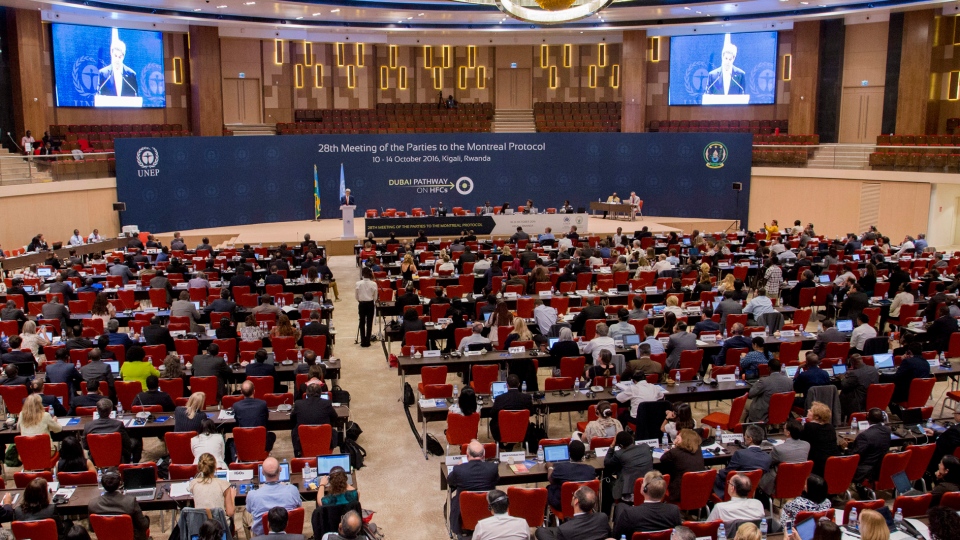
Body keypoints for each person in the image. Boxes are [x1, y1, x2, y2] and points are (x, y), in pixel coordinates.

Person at [447, 440, 499, 535]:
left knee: (450, 502)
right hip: (488, 510)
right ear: (483, 455)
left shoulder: (459, 469)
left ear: (467, 455)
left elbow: (450, 481)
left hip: (463, 512)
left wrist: (458, 467)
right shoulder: (493, 468)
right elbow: (496, 481)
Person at [611, 470, 682, 538]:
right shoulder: (674, 511)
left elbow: (618, 536)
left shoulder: (630, 513)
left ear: (644, 489)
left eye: (643, 482)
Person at [245, 457, 302, 536]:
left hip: (262, 536)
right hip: (289, 534)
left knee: (245, 515)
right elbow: (298, 507)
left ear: (262, 472)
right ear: (280, 469)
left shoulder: (252, 495)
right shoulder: (292, 490)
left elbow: (249, 510)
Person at [89, 468, 150, 540]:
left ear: (102, 484)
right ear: (120, 483)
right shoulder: (130, 501)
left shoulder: (92, 504)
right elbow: (143, 525)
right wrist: (147, 518)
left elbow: (92, 529)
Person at [713, 425, 772, 497]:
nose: (744, 437)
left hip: (733, 489)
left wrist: (717, 472)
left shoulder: (740, 454)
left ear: (750, 439)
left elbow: (727, 474)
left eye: (745, 436)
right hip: (751, 490)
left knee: (712, 476)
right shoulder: (767, 458)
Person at [534, 486, 610, 540]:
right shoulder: (603, 518)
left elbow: (541, 532)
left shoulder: (565, 529)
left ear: (576, 501)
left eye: (573, 494)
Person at [759, 419, 811, 493]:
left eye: (784, 428)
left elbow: (768, 463)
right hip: (799, 481)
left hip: (781, 482)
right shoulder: (807, 445)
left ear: (788, 433)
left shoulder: (778, 449)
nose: (783, 429)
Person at [603, 430, 652, 504]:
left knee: (606, 479)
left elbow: (607, 463)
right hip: (650, 489)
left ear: (620, 445)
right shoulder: (645, 447)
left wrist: (612, 445)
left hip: (629, 494)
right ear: (632, 439)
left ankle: (608, 511)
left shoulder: (619, 454)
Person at [851, 408, 892, 493]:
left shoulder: (864, 436)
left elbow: (855, 454)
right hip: (881, 466)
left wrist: (845, 448)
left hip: (866, 470)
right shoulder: (887, 431)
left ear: (868, 419)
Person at [291, 382, 338, 457]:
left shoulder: (298, 404)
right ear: (320, 393)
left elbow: (292, 420)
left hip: (304, 441)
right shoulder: (327, 403)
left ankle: (298, 454)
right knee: (334, 432)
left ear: (306, 393)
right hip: (323, 440)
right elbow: (335, 417)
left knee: (294, 431)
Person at [233, 380, 276, 452]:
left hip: (244, 441)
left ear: (241, 392)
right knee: (271, 435)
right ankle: (263, 453)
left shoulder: (236, 406)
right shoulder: (262, 404)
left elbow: (237, 421)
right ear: (254, 391)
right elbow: (266, 418)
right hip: (260, 441)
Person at [490, 375, 533, 444]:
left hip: (503, 431)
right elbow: (531, 413)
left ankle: (500, 444)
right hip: (522, 430)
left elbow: (492, 414)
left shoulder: (500, 398)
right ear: (519, 384)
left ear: (507, 385)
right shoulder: (527, 398)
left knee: (493, 422)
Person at [189, 452, 235, 516]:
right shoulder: (224, 484)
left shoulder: (193, 484)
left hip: (201, 525)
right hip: (219, 525)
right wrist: (232, 497)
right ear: (215, 466)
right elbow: (230, 513)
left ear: (199, 467)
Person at [838, 354, 879, 420]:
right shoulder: (873, 369)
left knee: (843, 393)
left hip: (858, 402)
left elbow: (844, 385)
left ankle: (840, 418)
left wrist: (842, 378)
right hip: (873, 399)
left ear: (852, 363)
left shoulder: (854, 373)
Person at [355, 268, 377, 348]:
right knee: (369, 322)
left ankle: (363, 341)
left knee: (362, 322)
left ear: (362, 274)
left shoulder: (358, 283)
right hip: (370, 303)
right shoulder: (374, 284)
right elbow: (375, 297)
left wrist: (360, 300)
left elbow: (356, 296)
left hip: (361, 304)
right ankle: (368, 341)